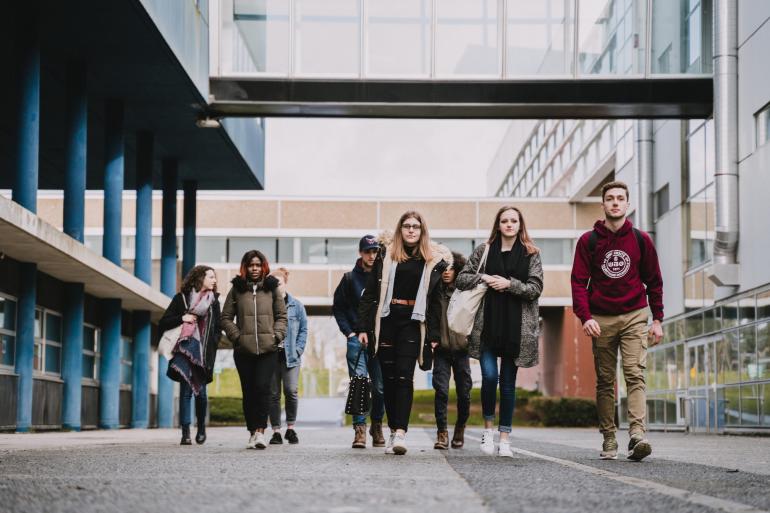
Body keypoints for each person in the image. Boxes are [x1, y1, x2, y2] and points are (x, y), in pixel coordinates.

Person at [571, 181, 663, 461]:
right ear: (603, 204)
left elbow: (654, 281)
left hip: (635, 315)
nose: (615, 202)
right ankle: (609, 438)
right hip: (601, 319)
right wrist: (586, 317)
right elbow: (578, 283)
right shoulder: (589, 241)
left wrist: (657, 319)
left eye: (620, 198)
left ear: (627, 204)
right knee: (605, 381)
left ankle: (637, 435)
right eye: (610, 198)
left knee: (635, 373)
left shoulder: (641, 240)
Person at [356, 212, 451, 455]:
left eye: (415, 227)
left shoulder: (431, 260)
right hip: (387, 320)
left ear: (422, 231)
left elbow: (436, 300)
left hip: (413, 322)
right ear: (400, 230)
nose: (411, 230)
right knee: (388, 381)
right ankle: (392, 430)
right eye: (407, 226)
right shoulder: (386, 255)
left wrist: (434, 335)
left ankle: (400, 433)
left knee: (404, 377)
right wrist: (363, 328)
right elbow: (370, 293)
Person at [456, 206, 543, 458]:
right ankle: (488, 429)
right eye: (505, 220)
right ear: (498, 224)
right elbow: (462, 279)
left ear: (520, 224)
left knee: (507, 384)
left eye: (514, 220)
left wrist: (508, 284)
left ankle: (505, 438)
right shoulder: (484, 250)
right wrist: (483, 277)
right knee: (489, 376)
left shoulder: (531, 253)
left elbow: (535, 288)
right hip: (487, 326)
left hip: (516, 328)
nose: (509, 224)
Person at [221, 250, 287, 450]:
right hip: (244, 351)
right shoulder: (237, 289)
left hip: (268, 349)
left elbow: (282, 316)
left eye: (258, 265)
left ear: (263, 266)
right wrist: (237, 337)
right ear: (246, 267)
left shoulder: (272, 288)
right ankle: (251, 432)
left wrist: (276, 336)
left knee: (263, 388)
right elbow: (225, 317)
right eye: (251, 265)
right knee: (249, 391)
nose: (255, 268)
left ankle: (260, 432)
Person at [332, 235, 386, 449]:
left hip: (379, 340)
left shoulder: (384, 277)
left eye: (375, 251)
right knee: (359, 384)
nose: (372, 256)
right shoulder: (349, 279)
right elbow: (338, 308)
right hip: (357, 341)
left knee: (380, 388)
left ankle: (377, 425)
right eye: (368, 252)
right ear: (360, 253)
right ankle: (360, 429)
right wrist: (349, 333)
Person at [158, 265, 221, 445]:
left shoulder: (213, 301)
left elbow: (217, 328)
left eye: (214, 277)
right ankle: (185, 433)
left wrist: (212, 345)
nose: (214, 280)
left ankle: (201, 428)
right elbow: (164, 322)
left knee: (201, 394)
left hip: (203, 354)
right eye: (210, 277)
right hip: (184, 352)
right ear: (200, 278)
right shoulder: (181, 299)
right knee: (186, 392)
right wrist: (182, 318)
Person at [431, 251, 473, 450]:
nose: (447, 272)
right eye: (443, 268)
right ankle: (442, 433)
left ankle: (460, 428)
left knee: (464, 393)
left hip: (462, 350)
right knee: (441, 391)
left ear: (458, 270)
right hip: (441, 350)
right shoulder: (434, 292)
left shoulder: (464, 292)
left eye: (451, 268)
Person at [268, 267, 308, 445]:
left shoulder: (297, 306)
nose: (277, 287)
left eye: (279, 283)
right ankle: (276, 431)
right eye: (273, 284)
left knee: (291, 391)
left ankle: (290, 428)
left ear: (285, 283)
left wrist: (298, 349)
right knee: (273, 394)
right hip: (271, 356)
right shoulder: (266, 305)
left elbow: (304, 330)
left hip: (291, 357)